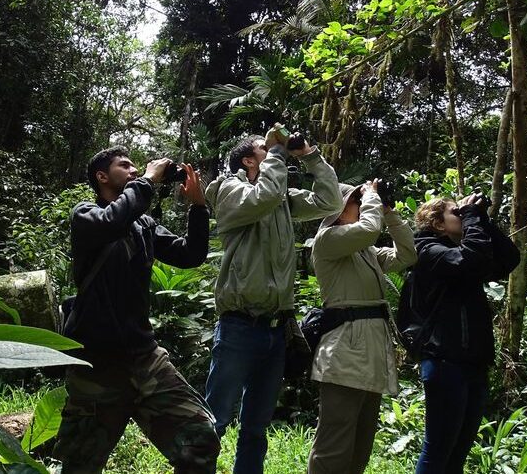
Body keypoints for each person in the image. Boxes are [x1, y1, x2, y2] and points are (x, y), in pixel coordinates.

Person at [54, 147, 220, 474]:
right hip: (96, 365)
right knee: (79, 465)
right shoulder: (86, 215)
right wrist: (147, 179)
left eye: (135, 166)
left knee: (200, 438)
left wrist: (198, 206)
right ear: (102, 176)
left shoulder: (143, 225)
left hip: (146, 358)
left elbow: (190, 255)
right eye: (124, 165)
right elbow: (111, 221)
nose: (132, 170)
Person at [203, 126, 342, 474]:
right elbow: (260, 198)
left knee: (256, 428)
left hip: (277, 329)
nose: (275, 151)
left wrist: (310, 156)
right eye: (265, 149)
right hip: (238, 326)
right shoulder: (228, 190)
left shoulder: (279, 196)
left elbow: (330, 201)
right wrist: (278, 154)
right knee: (215, 421)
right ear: (250, 160)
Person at [405, 193, 520, 474]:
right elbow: (470, 260)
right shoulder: (428, 251)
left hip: (472, 361)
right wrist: (471, 216)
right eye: (456, 213)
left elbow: (509, 259)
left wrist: (481, 219)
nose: (464, 215)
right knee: (438, 449)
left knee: (457, 453)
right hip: (445, 361)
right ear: (438, 224)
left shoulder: (465, 252)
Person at [307, 180, 417, 474]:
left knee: (360, 447)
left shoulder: (365, 253)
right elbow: (369, 229)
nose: (363, 204)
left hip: (370, 355)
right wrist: (371, 196)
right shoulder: (328, 240)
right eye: (356, 200)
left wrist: (389, 212)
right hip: (344, 353)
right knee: (334, 447)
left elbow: (408, 254)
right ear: (338, 209)